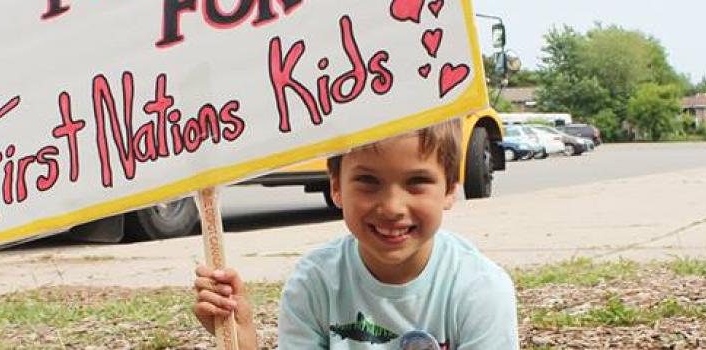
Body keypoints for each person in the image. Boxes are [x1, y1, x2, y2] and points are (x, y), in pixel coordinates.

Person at [192, 119, 519, 349]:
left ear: (449, 188)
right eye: (368, 181)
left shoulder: (481, 290)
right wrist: (242, 341)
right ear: (336, 186)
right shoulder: (314, 283)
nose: (392, 207)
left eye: (417, 182)